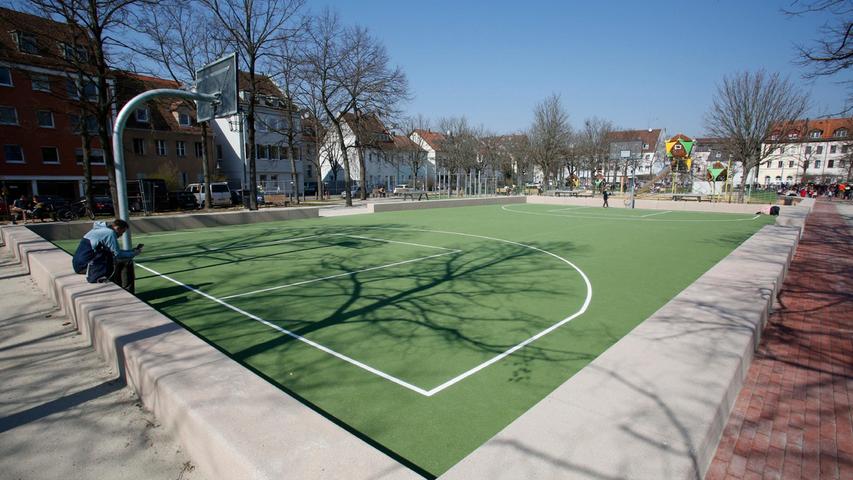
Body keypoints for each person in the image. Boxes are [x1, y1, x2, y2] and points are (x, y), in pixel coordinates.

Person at [72, 219, 142, 292]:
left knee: (114, 258)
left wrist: (130, 251)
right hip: (85, 266)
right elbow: (118, 254)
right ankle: (128, 291)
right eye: (122, 232)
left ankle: (121, 288)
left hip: (79, 264)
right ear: (118, 228)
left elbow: (113, 251)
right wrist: (134, 253)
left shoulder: (100, 230)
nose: (121, 235)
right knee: (126, 262)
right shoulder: (110, 233)